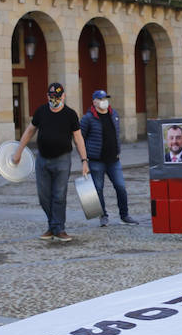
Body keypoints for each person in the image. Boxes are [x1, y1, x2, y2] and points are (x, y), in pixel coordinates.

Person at [12, 82, 89, 241]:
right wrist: (18, 151)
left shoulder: (70, 114)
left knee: (59, 195)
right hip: (42, 159)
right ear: (48, 96)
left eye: (58, 97)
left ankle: (58, 228)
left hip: (62, 160)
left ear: (64, 96)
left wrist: (84, 161)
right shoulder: (41, 111)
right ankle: (53, 225)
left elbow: (78, 138)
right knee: (44, 196)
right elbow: (29, 131)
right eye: (52, 97)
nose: (55, 100)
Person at [79, 89, 137, 226]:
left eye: (105, 98)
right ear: (94, 102)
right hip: (96, 161)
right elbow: (80, 138)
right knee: (98, 189)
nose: (104, 101)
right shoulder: (88, 118)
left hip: (114, 160)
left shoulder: (114, 114)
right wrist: (84, 159)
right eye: (101, 99)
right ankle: (103, 215)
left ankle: (125, 215)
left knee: (121, 187)